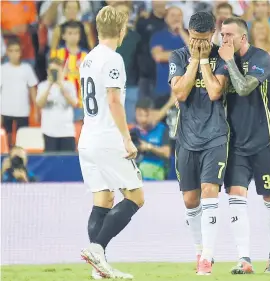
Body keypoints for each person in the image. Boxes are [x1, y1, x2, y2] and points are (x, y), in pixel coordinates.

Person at [219, 17, 270, 274]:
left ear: (243, 38)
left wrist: (228, 61)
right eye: (222, 34)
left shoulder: (261, 59)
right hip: (235, 144)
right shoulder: (220, 61)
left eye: (229, 35)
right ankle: (244, 258)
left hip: (264, 140)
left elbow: (245, 87)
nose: (224, 39)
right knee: (236, 196)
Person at [78, 6, 144, 279]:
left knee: (103, 199)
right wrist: (127, 139)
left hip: (87, 137)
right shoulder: (113, 59)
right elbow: (114, 101)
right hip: (107, 138)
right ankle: (97, 248)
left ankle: (99, 268)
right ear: (122, 30)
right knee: (136, 197)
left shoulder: (89, 59)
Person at [168, 11, 229, 275]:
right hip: (186, 136)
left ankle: (208, 256)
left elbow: (216, 92)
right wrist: (195, 58)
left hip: (215, 135)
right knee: (190, 200)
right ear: (189, 34)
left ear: (213, 34)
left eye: (204, 40)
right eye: (194, 39)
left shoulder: (223, 57)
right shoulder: (178, 57)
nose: (199, 44)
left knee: (209, 191)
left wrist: (204, 59)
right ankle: (198, 248)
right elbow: (180, 92)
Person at [1, 37, 38, 146]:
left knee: (22, 138)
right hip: (5, 110)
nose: (14, 54)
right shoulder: (2, 69)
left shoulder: (27, 68)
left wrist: (35, 109)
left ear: (21, 52)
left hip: (22, 110)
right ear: (7, 52)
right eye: (11, 51)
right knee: (6, 138)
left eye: (17, 50)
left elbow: (32, 89)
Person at [36, 58, 78, 152]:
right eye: (52, 70)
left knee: (67, 163)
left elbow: (74, 103)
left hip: (67, 132)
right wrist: (50, 85)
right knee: (50, 164)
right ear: (48, 71)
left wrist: (60, 85)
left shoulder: (69, 85)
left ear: (62, 70)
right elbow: (40, 104)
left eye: (57, 70)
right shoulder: (43, 86)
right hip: (49, 132)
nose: (54, 73)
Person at [130, 97, 171, 181]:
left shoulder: (162, 129)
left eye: (146, 115)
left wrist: (149, 147)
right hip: (135, 173)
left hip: (156, 171)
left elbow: (167, 153)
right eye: (140, 115)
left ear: (153, 113)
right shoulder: (133, 132)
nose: (143, 119)